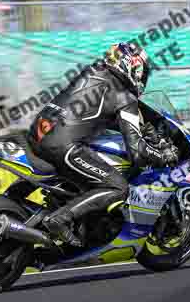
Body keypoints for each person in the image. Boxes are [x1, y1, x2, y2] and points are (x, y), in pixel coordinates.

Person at [26, 43, 178, 246]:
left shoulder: (91, 72)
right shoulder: (124, 96)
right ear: (132, 68)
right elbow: (137, 153)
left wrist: (145, 128)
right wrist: (163, 155)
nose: (143, 79)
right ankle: (59, 219)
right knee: (117, 187)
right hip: (63, 147)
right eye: (142, 73)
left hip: (36, 134)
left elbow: (97, 114)